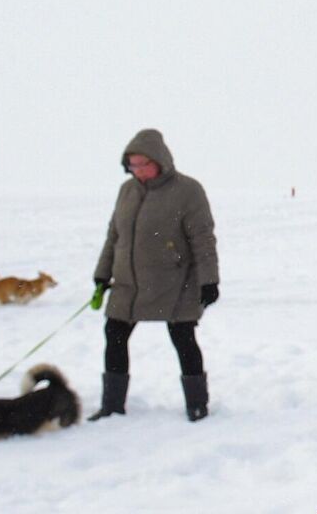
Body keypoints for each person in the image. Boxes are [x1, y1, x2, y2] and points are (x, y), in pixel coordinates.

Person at [88, 128, 219, 422]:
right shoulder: (127, 191)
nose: (138, 171)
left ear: (160, 160)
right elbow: (114, 236)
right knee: (114, 334)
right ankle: (112, 405)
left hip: (176, 282)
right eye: (132, 165)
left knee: (183, 338)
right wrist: (102, 274)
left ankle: (197, 404)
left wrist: (209, 280)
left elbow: (202, 238)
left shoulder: (188, 190)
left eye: (143, 164)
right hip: (128, 283)